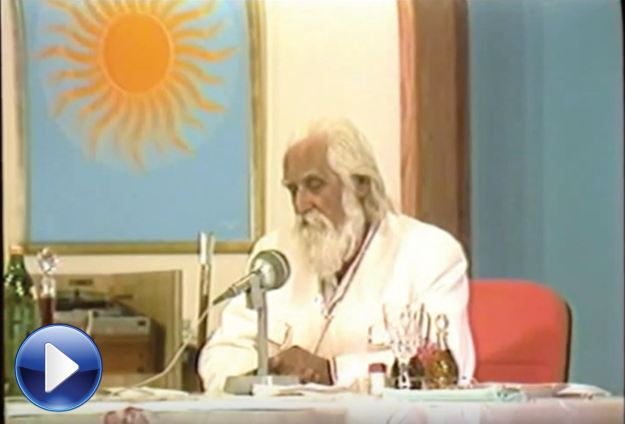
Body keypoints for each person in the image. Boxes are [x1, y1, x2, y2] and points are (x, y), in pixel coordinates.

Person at [197, 117, 475, 394]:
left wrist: (332, 372)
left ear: (360, 184)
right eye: (293, 190)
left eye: (315, 185)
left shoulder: (429, 251)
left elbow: (445, 364)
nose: (301, 204)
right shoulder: (274, 254)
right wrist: (258, 375)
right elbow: (222, 352)